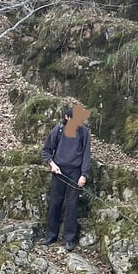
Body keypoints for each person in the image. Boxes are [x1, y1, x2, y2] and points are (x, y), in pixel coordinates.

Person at [41, 101, 91, 250]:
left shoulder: (84, 132)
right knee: (55, 203)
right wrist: (52, 164)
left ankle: (69, 239)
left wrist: (83, 175)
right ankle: (51, 235)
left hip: (75, 172)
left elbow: (86, 155)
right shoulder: (58, 130)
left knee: (72, 205)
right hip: (58, 171)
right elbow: (46, 151)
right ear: (67, 118)